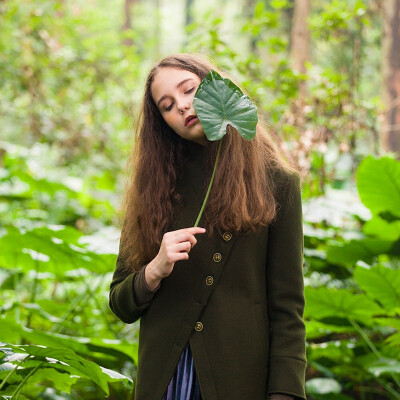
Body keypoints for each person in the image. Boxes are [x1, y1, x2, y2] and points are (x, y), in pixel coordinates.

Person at [109, 53, 306, 400]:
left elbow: (287, 309)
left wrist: (285, 393)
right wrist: (154, 269)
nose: (183, 107)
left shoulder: (277, 182)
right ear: (163, 122)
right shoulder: (154, 188)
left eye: (190, 90)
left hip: (239, 378)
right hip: (166, 380)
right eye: (167, 106)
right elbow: (121, 304)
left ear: (217, 90)